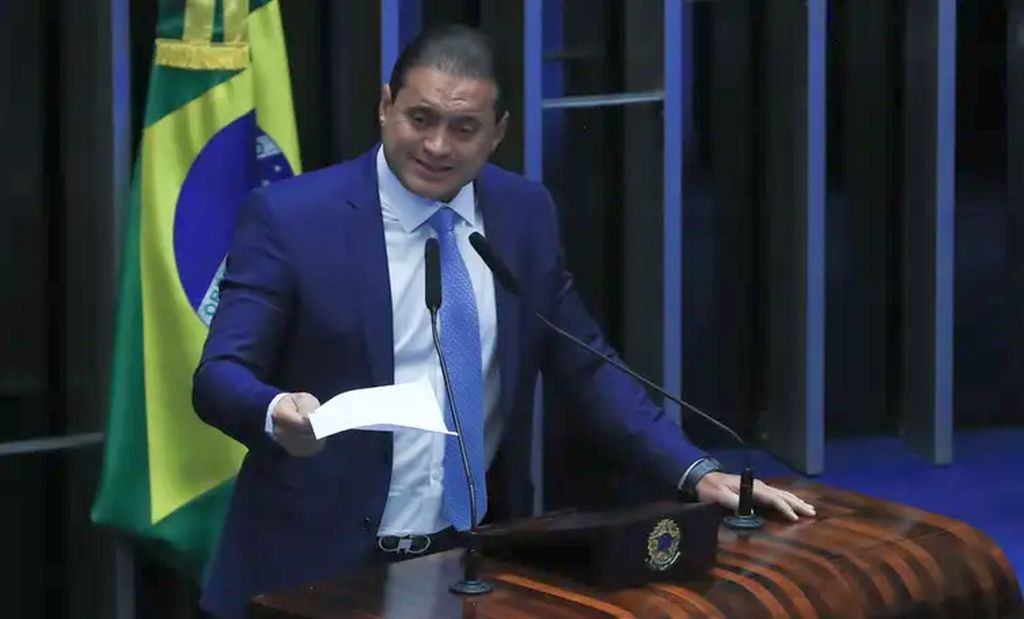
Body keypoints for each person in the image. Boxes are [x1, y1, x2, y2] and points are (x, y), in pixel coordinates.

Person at [192, 24, 814, 619]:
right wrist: (276, 411)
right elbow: (219, 375)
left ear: (498, 133)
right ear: (385, 107)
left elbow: (586, 365)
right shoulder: (292, 218)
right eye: (420, 119)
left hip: (470, 566)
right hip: (313, 574)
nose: (438, 146)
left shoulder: (523, 214)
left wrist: (695, 471)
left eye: (464, 128)